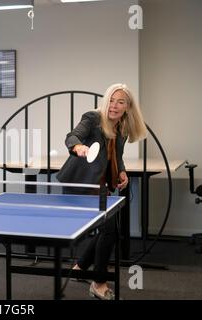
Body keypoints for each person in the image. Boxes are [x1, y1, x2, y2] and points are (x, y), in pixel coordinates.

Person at [56, 83, 146, 300]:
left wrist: (122, 172)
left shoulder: (121, 129)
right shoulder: (92, 119)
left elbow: (118, 156)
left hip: (101, 186)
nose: (114, 106)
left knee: (108, 230)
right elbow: (72, 136)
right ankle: (99, 283)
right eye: (111, 100)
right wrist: (78, 147)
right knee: (108, 231)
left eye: (120, 102)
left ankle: (81, 267)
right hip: (80, 184)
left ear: (127, 107)